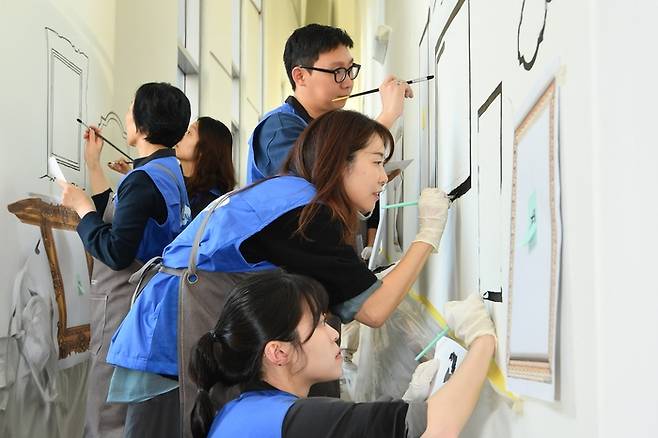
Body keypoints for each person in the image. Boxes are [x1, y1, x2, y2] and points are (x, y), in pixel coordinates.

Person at [106, 110, 450, 435]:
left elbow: (356, 294)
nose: (382, 178)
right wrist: (427, 235)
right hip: (169, 348)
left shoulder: (292, 194)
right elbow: (373, 309)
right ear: (339, 160)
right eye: (376, 162)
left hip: (173, 333)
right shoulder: (306, 213)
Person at [189, 270, 497, 438]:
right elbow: (440, 427)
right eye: (320, 324)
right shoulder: (297, 419)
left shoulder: (238, 410)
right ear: (279, 352)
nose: (334, 333)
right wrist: (482, 339)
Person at [59, 82, 191, 438]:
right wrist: (94, 166)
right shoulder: (168, 172)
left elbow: (117, 251)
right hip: (146, 305)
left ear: (144, 125)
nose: (127, 116)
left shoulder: (142, 180)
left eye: (132, 109)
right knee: (124, 412)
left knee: (106, 415)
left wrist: (82, 209)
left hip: (121, 306)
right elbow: (127, 222)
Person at [247, 23, 412, 183]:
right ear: (300, 76)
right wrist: (388, 115)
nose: (348, 82)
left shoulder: (331, 127)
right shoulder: (278, 128)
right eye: (338, 71)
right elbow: (324, 174)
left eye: (349, 70)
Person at [109, 116, 236, 218]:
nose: (181, 136)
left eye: (189, 133)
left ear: (204, 150)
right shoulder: (174, 181)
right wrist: (131, 174)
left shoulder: (210, 204)